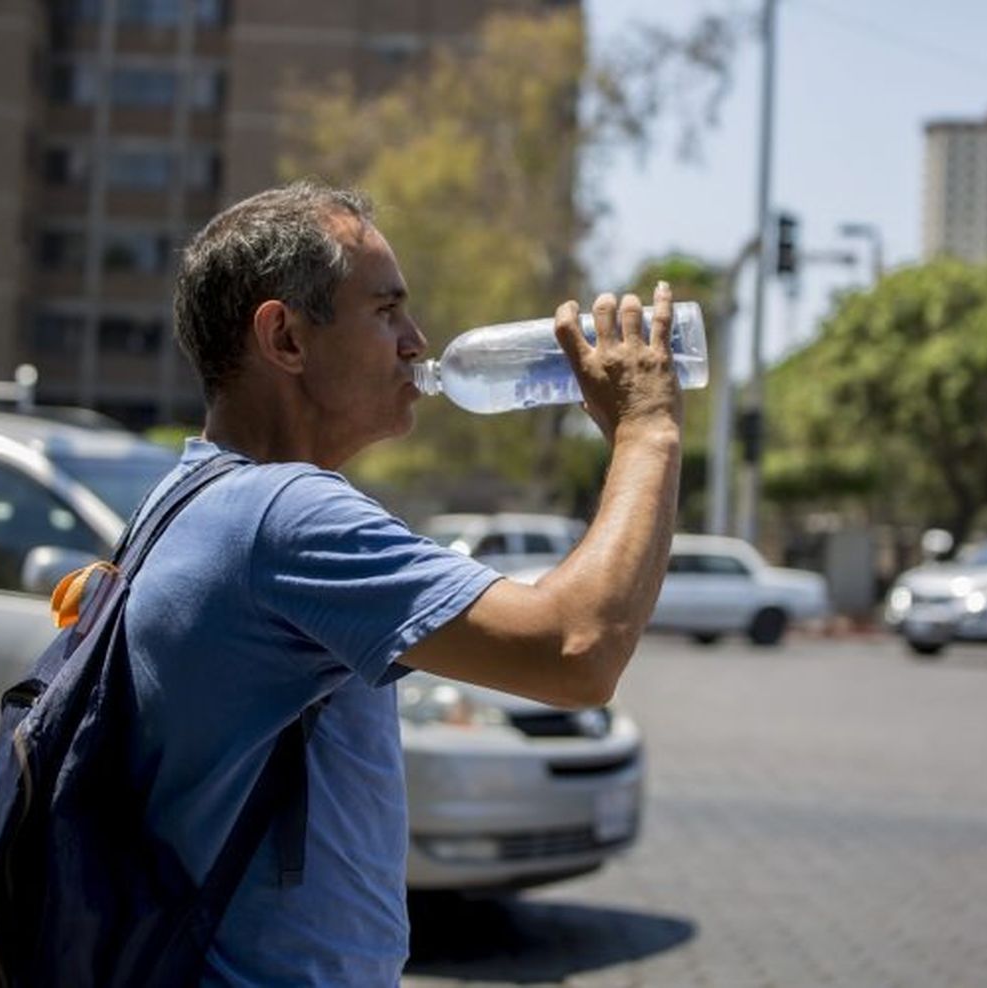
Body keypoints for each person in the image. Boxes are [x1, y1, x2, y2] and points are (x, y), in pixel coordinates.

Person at [126, 179, 682, 986]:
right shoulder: (285, 516)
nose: (418, 342)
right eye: (386, 312)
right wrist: (648, 429)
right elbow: (577, 650)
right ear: (284, 337)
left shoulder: (193, 494)